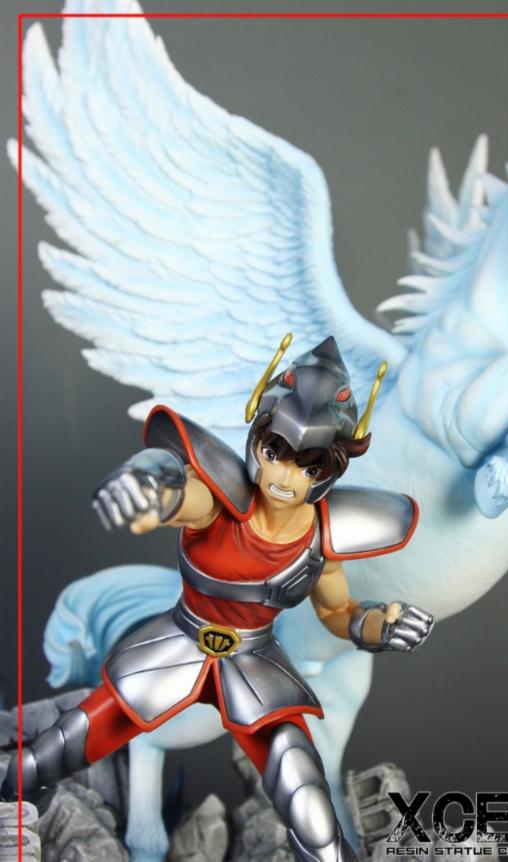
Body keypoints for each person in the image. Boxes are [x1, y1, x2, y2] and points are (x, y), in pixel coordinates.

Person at [3, 335, 433, 862]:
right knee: (57, 750)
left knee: (306, 796)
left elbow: (336, 611)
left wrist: (379, 626)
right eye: (274, 452)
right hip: (180, 641)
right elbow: (178, 488)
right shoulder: (222, 498)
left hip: (253, 660)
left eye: (309, 465)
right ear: (257, 438)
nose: (284, 476)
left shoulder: (324, 535)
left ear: (331, 470)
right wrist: (145, 485)